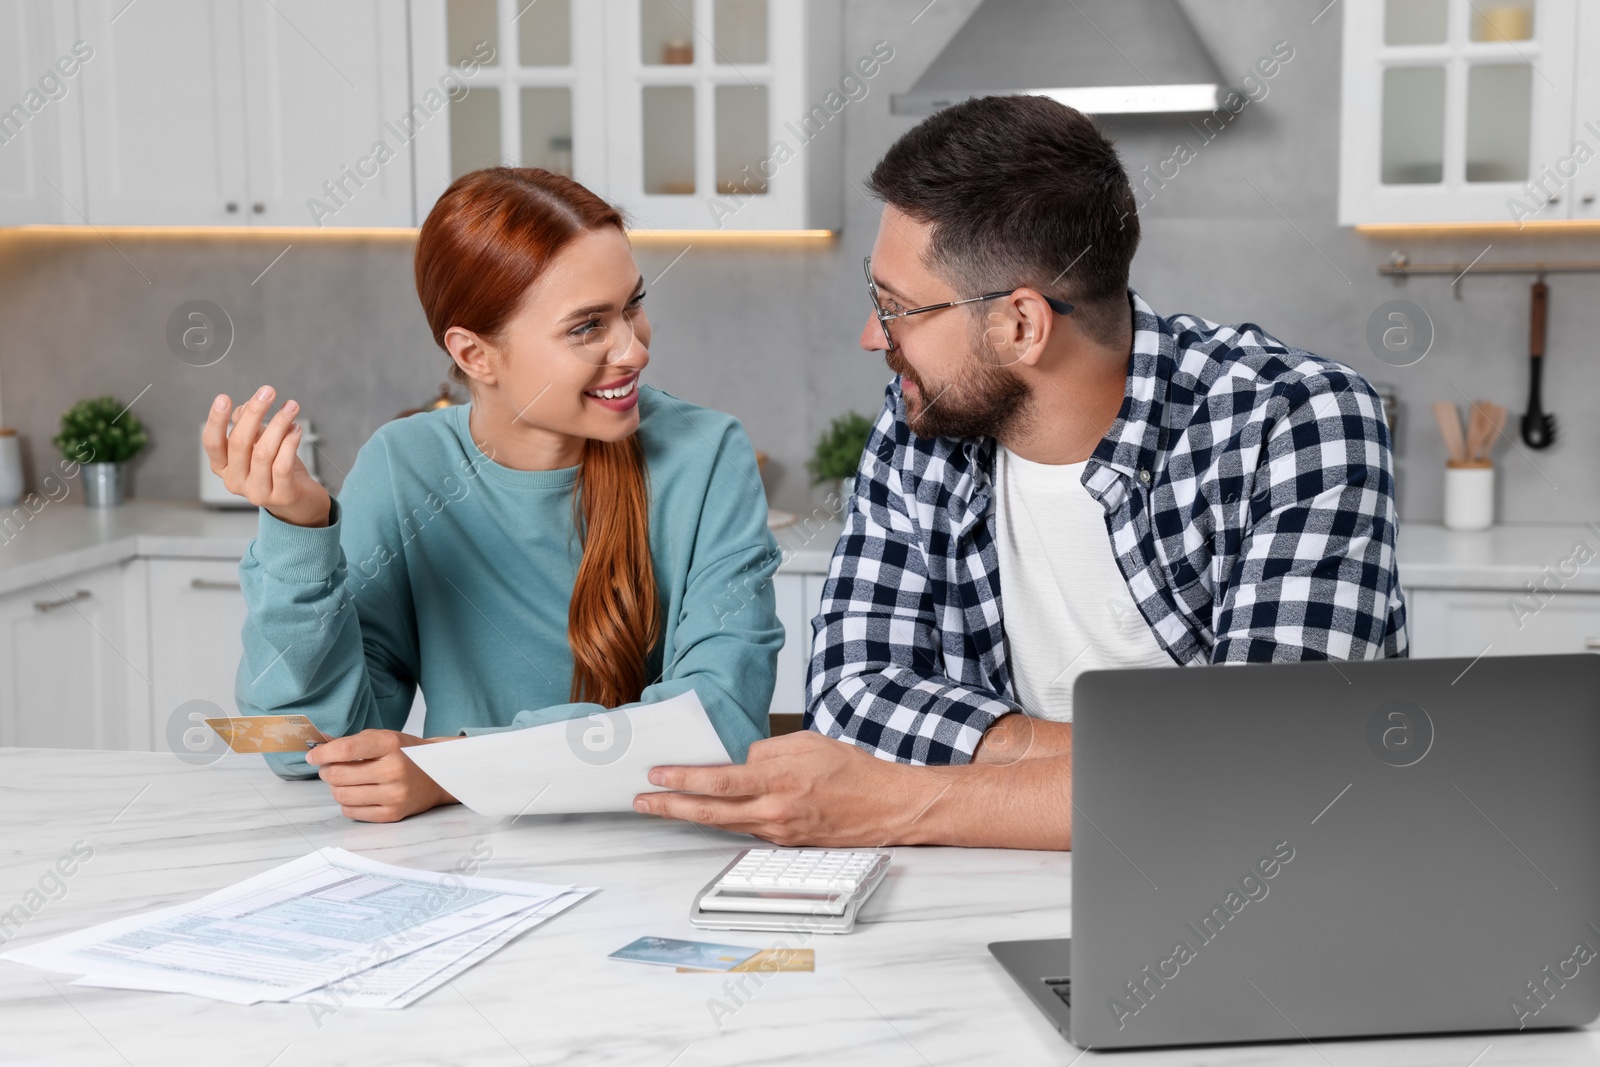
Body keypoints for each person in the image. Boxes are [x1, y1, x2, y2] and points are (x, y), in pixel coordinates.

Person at [634, 95, 1408, 849]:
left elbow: (1279, 774)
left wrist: (900, 800)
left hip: (1234, 902)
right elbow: (852, 694)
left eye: (897, 306)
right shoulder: (922, 427)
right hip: (987, 884)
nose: (873, 335)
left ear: (1021, 324)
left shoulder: (1299, 422)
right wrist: (1156, 767)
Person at [207, 167, 782, 823]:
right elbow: (304, 743)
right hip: (464, 857)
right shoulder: (407, 467)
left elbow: (715, 725)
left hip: (659, 843)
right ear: (475, 354)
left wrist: (455, 766)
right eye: (588, 326)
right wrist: (298, 529)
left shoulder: (705, 455)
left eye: (633, 306)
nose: (633, 349)